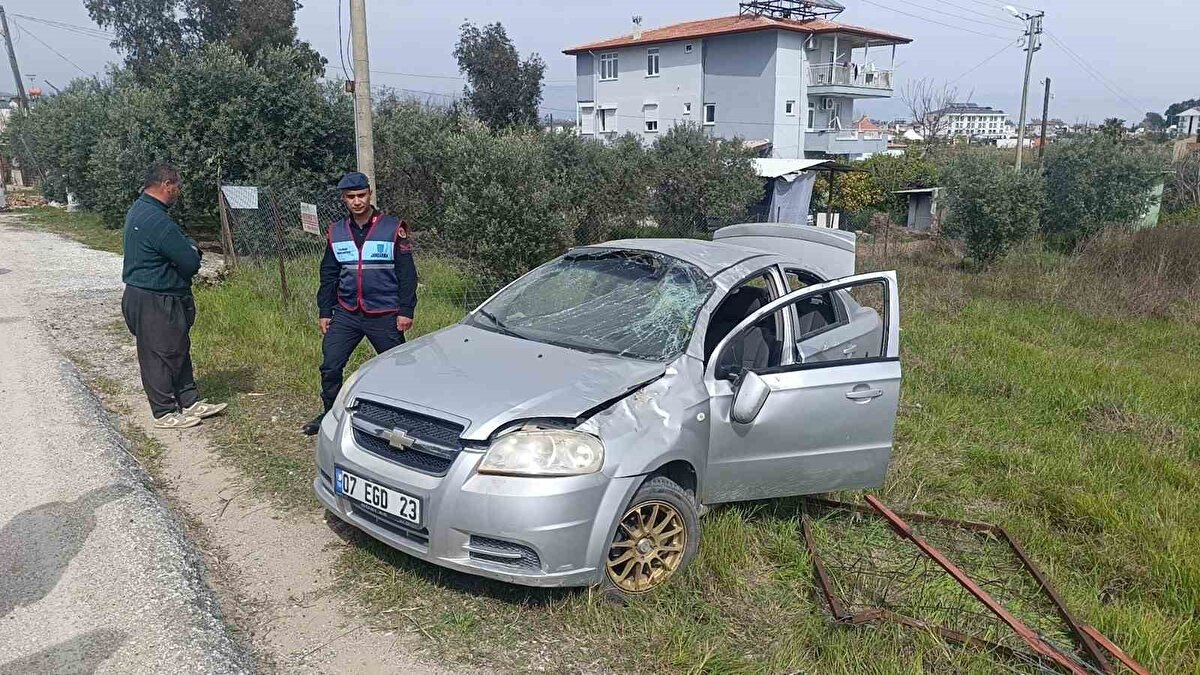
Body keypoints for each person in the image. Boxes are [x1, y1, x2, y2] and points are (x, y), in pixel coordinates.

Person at [301, 172, 417, 436]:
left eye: (361, 195)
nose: (357, 201)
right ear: (344, 199)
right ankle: (329, 414)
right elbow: (328, 274)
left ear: (369, 194)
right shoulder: (336, 231)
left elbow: (407, 273)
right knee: (330, 365)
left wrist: (406, 310)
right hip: (347, 313)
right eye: (351, 197)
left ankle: (402, 419)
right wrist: (324, 311)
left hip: (385, 313)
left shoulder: (392, 227)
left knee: (399, 369)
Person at [121, 162, 227, 429]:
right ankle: (165, 411)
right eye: (177, 186)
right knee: (158, 354)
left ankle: (189, 400)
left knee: (177, 348)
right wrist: (192, 249)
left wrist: (188, 246)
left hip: (157, 294)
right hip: (154, 297)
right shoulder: (155, 219)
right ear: (167, 185)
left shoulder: (144, 209)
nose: (178, 191)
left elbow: (181, 246)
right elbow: (190, 260)